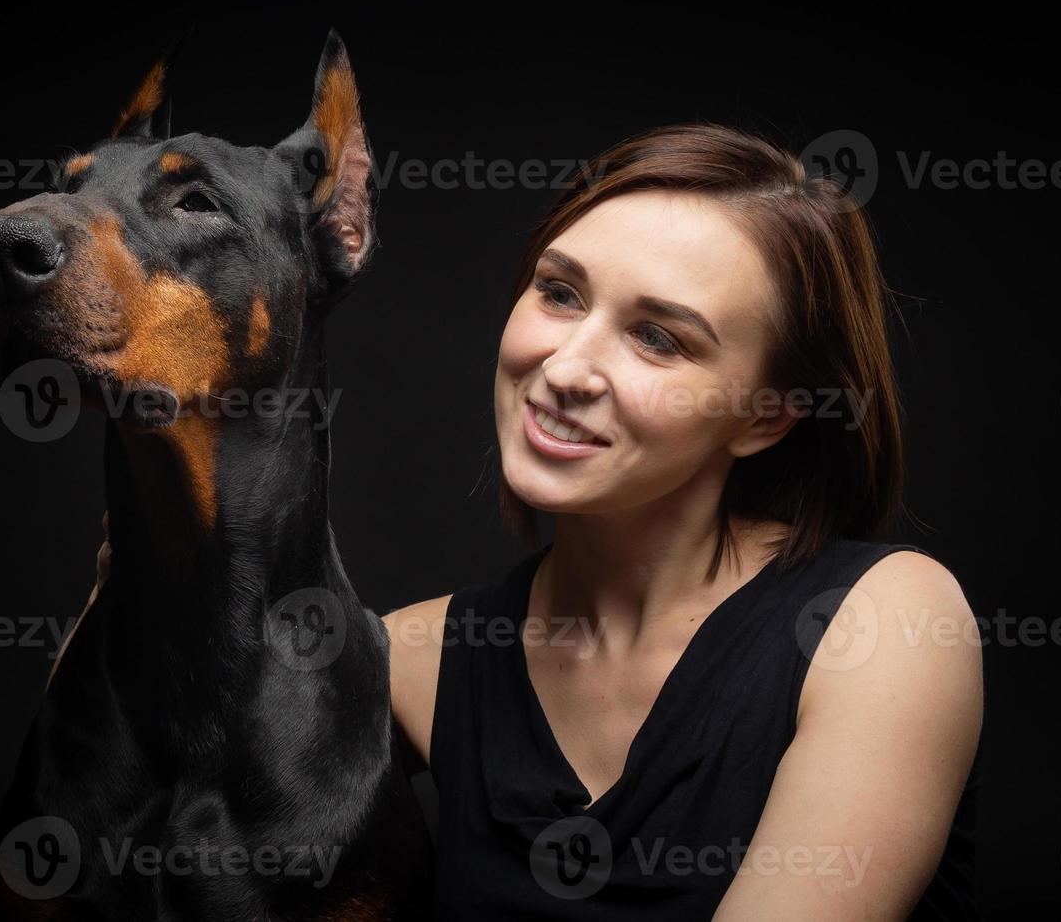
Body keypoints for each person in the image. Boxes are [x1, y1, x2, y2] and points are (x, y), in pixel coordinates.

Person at [96, 122, 984, 920]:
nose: (566, 367)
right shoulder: (409, 664)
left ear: (766, 414)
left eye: (659, 338)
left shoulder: (884, 624)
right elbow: (124, 797)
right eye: (559, 293)